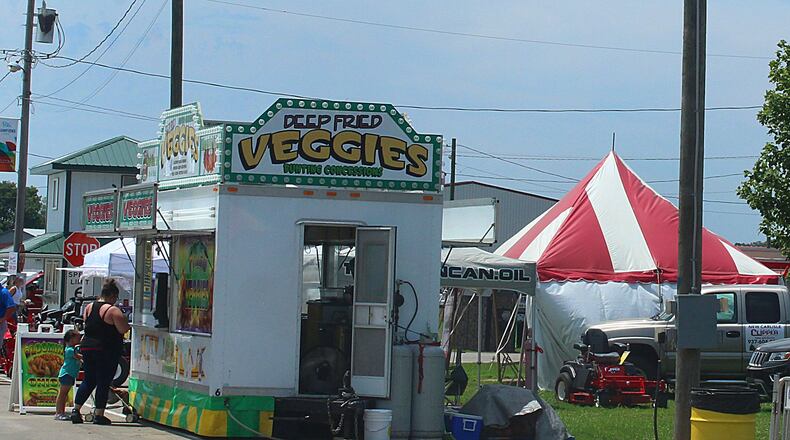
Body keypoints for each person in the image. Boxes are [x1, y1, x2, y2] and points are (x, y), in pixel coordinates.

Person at [71, 279, 129, 425]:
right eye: (115, 298)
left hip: (88, 347)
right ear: (112, 296)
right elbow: (123, 329)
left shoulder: (89, 308)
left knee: (89, 380)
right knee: (103, 381)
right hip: (105, 350)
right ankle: (99, 414)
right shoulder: (112, 310)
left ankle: (76, 410)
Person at [55, 329, 82, 421]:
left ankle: (62, 412)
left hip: (71, 374)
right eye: (78, 338)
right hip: (66, 374)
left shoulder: (75, 348)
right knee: (62, 394)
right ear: (71, 339)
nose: (80, 339)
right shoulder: (70, 350)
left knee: (65, 394)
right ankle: (59, 413)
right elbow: (79, 356)